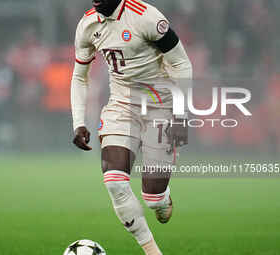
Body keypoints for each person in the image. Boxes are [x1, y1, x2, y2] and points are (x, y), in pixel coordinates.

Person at [71, 0, 192, 254]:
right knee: (114, 182)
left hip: (160, 106)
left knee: (153, 199)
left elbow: (181, 64)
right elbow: (79, 77)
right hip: (121, 106)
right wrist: (78, 122)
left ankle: (161, 198)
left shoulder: (146, 17)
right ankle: (152, 252)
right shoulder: (87, 25)